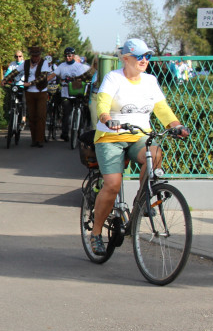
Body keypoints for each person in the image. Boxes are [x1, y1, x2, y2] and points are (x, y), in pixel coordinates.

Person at [89, 38, 188, 256]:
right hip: (110, 136)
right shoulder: (113, 78)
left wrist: (176, 125)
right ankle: (96, 233)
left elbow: (161, 108)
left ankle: (140, 203)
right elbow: (102, 103)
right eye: (140, 56)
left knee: (156, 154)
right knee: (113, 185)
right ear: (126, 58)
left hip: (139, 136)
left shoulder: (150, 81)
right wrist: (106, 118)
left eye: (148, 56)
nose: (144, 60)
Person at [4, 45, 53, 147]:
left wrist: (31, 83)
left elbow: (43, 77)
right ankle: (34, 139)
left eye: (37, 56)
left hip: (41, 92)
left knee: (41, 116)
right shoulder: (26, 63)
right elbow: (15, 72)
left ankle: (40, 140)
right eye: (34, 56)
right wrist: (5, 79)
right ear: (31, 56)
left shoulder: (44, 63)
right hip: (29, 93)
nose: (35, 58)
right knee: (32, 116)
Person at [52, 47, 96, 140]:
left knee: (81, 110)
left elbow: (84, 78)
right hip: (65, 93)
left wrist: (75, 80)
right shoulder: (61, 66)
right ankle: (65, 133)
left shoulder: (80, 67)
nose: (67, 57)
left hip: (77, 92)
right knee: (66, 113)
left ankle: (80, 130)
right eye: (66, 56)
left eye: (69, 56)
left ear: (73, 56)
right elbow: (53, 75)